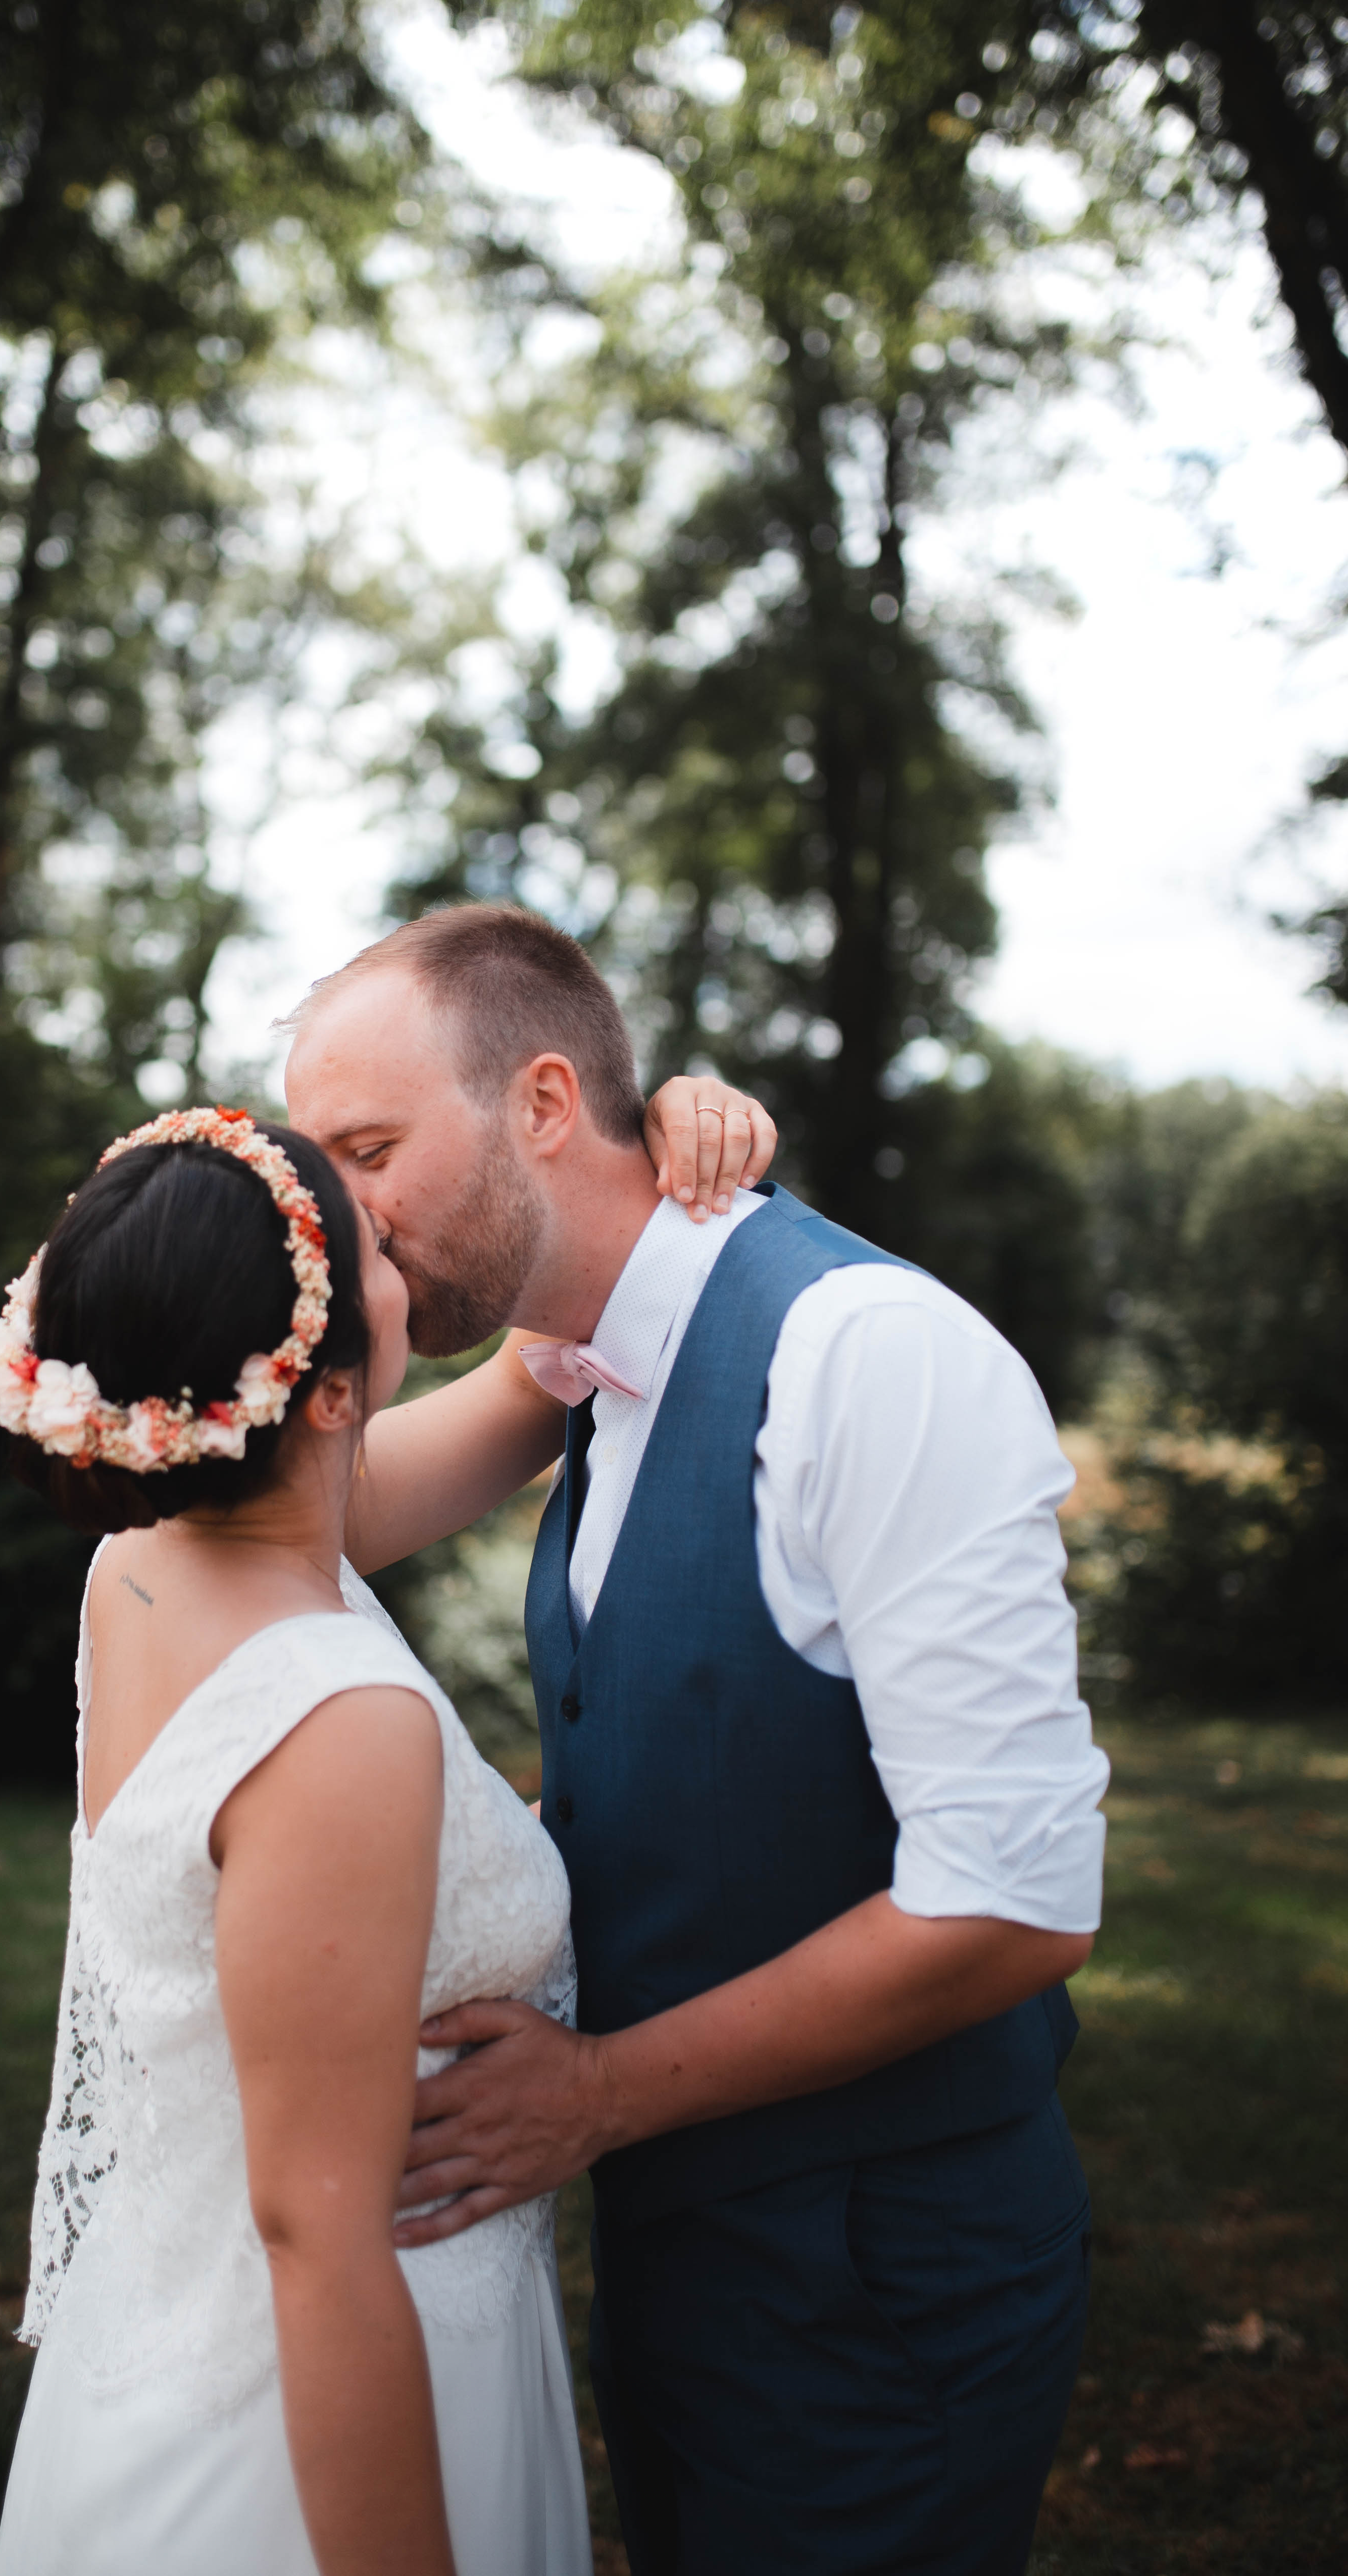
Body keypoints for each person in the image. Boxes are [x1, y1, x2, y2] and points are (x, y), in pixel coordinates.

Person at [283, 903, 1112, 2576]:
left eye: (368, 1150)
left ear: (537, 1105)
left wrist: (590, 2094)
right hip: (689, 2260)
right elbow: (322, 1523)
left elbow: (1015, 1898)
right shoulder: (589, 1368)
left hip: (878, 2278)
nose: (334, 1221)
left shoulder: (868, 1361)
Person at [0, 1080, 769, 2576]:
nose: (398, 1238)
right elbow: (315, 2243)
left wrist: (646, 1148)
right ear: (327, 1387)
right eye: (376, 1251)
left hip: (167, 2333)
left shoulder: (150, 1564)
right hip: (320, 2414)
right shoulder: (337, 1724)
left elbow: (541, 1375)